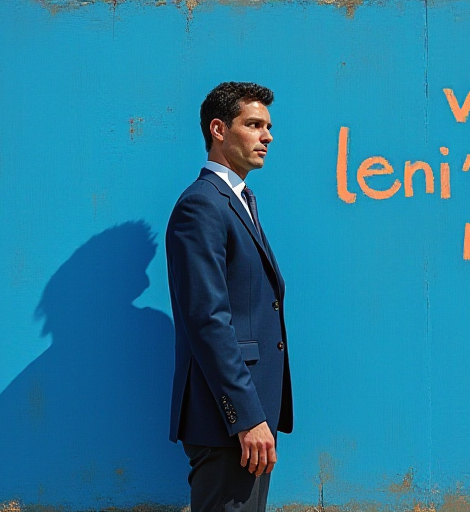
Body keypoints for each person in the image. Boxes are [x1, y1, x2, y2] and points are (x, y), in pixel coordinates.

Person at [165, 82, 292, 512]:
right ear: (218, 129)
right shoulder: (202, 205)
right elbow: (208, 320)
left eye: (268, 126)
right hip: (230, 422)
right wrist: (246, 414)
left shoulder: (239, 201)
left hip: (247, 417)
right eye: (254, 124)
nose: (267, 135)